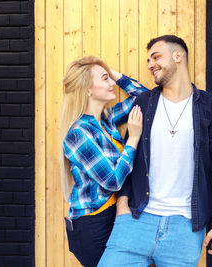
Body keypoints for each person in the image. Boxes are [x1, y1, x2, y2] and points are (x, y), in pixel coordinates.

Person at [98, 35, 212, 267]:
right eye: (148, 59)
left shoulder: (208, 106)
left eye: (156, 56)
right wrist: (122, 207)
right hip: (136, 220)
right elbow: (131, 158)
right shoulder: (144, 102)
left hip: (186, 227)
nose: (150, 64)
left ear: (178, 56)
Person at [60, 56, 148, 267]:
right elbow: (113, 181)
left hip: (112, 216)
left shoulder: (106, 120)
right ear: (87, 89)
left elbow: (145, 97)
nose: (112, 85)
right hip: (92, 225)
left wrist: (114, 74)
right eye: (105, 79)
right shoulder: (78, 133)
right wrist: (133, 138)